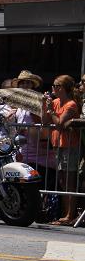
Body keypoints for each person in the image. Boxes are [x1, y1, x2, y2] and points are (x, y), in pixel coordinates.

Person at [42, 75, 81, 226]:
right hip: (57, 144)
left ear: (63, 88)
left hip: (70, 145)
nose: (53, 88)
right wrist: (44, 106)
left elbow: (59, 123)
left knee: (69, 180)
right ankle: (66, 214)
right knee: (62, 181)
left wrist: (51, 111)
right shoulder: (55, 102)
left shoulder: (71, 104)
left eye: (56, 86)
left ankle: (70, 215)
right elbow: (45, 121)